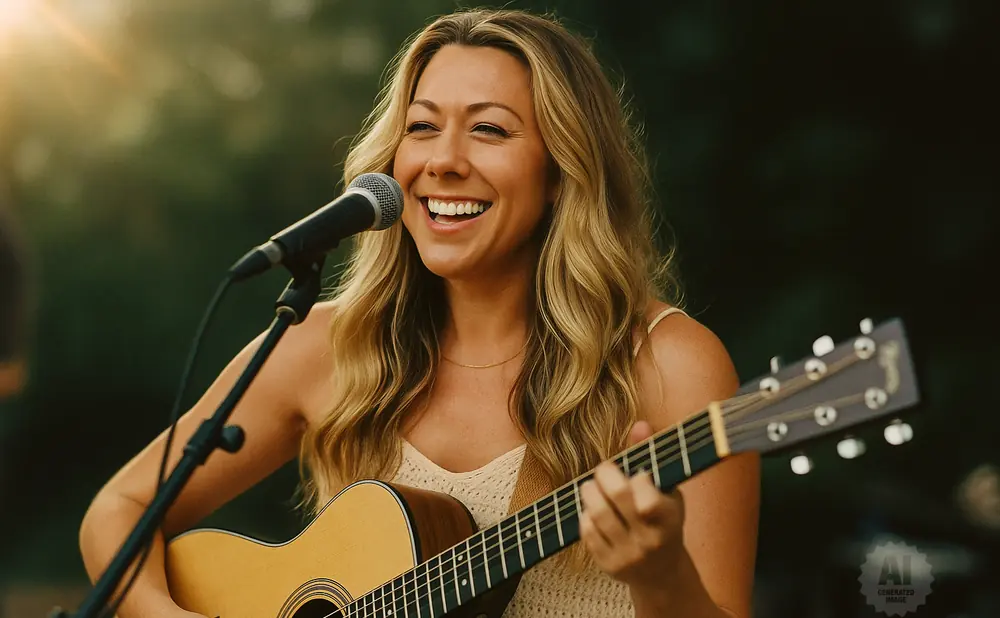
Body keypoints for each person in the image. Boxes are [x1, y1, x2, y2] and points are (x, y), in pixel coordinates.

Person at [79, 8, 759, 618]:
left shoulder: (669, 364)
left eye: (489, 130)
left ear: (560, 174)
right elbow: (120, 510)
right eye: (423, 127)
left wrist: (662, 577)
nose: (444, 161)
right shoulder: (326, 346)